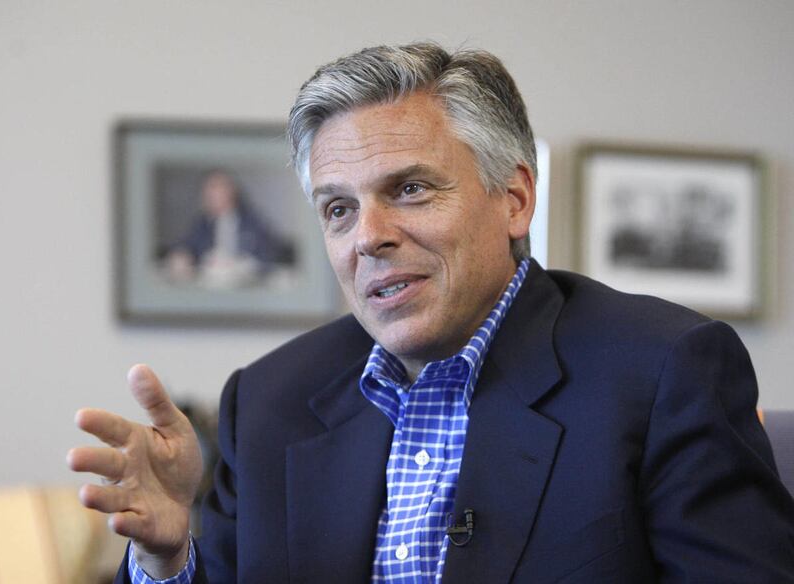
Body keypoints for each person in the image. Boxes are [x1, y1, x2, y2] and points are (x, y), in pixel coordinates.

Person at [69, 42, 794, 583]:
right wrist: (169, 558)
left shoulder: (666, 368)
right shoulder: (266, 401)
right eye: (338, 209)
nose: (369, 237)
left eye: (410, 189)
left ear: (514, 200)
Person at [165, 169, 295, 288]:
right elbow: (187, 246)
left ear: (231, 190)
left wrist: (241, 264)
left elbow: (269, 254)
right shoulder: (202, 225)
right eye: (207, 190)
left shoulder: (252, 222)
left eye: (215, 188)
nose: (209, 194)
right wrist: (181, 255)